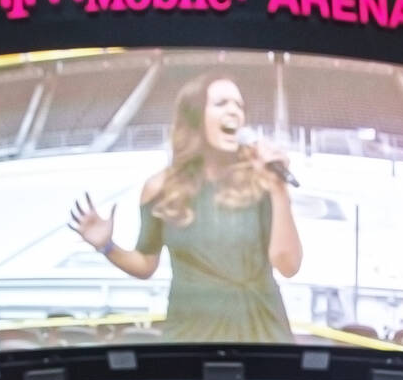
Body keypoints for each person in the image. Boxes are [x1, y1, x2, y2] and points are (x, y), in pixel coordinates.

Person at [68, 73, 303, 344]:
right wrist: (106, 246)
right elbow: (145, 264)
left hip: (262, 330)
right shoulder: (160, 187)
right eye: (221, 103)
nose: (234, 112)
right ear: (194, 116)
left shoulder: (260, 182)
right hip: (193, 331)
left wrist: (278, 189)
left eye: (239, 105)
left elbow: (288, 265)